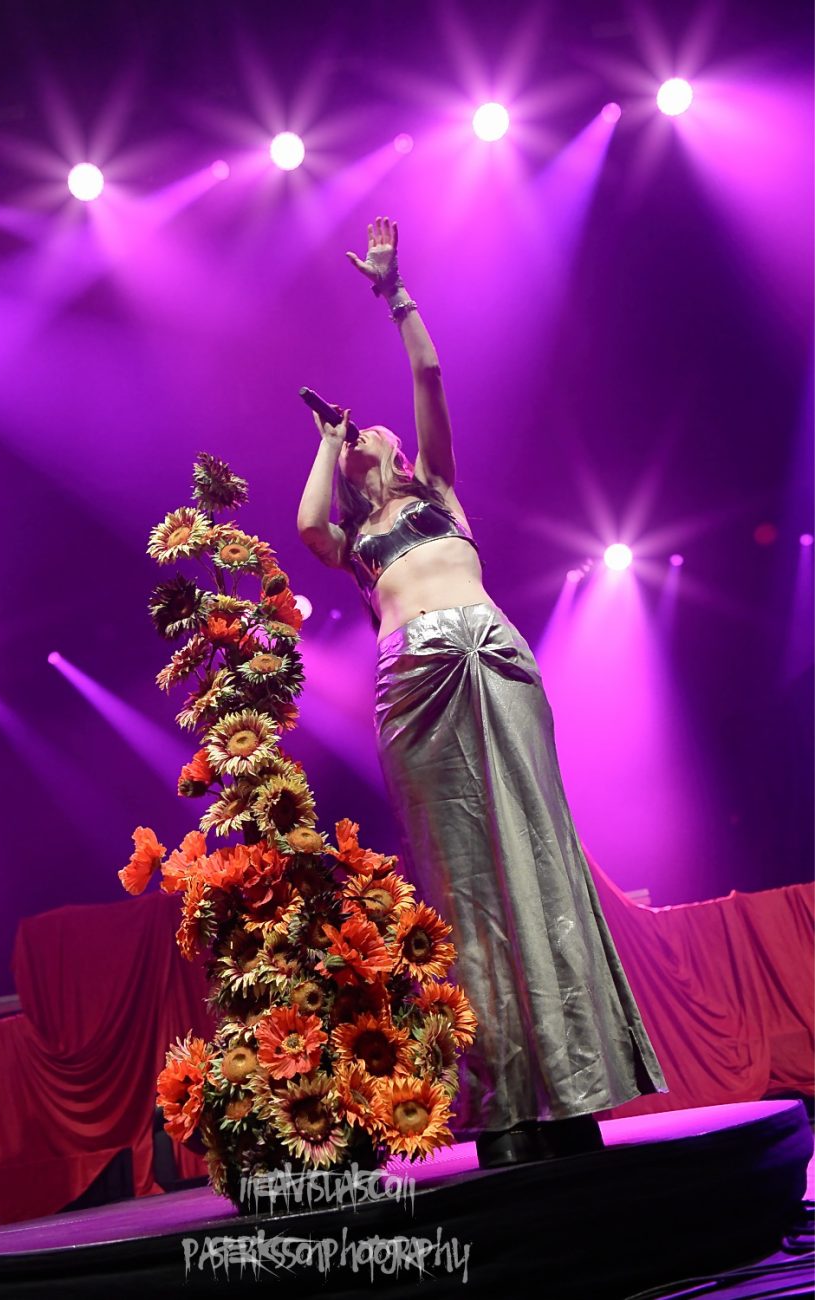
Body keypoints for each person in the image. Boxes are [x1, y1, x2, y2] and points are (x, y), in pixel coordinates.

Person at [296, 217, 669, 1167]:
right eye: (357, 437)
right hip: (413, 683)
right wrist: (327, 441)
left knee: (537, 858)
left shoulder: (438, 493)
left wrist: (394, 294)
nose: (368, 432)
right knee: (459, 885)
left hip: (493, 660)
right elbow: (304, 526)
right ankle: (502, 1105)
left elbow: (427, 374)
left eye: (371, 432)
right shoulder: (353, 543)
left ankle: (574, 1089)